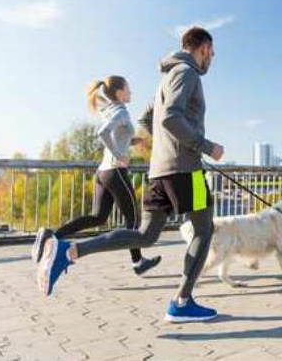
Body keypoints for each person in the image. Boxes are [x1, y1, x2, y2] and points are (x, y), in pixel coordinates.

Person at [37, 27, 224, 323]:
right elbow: (172, 118)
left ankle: (69, 251)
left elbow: (148, 118)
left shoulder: (168, 76)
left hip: (161, 169)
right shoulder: (186, 72)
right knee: (203, 230)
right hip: (186, 170)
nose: (211, 59)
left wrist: (166, 146)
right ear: (203, 48)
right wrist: (205, 146)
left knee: (145, 235)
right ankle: (181, 302)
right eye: (212, 53)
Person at [31, 76, 161, 275]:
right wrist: (120, 156)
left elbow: (116, 136)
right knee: (133, 220)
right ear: (119, 93)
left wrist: (134, 141)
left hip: (103, 172)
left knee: (98, 217)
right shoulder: (121, 111)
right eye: (128, 89)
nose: (131, 93)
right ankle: (138, 263)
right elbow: (103, 133)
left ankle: (52, 236)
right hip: (115, 172)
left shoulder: (110, 110)